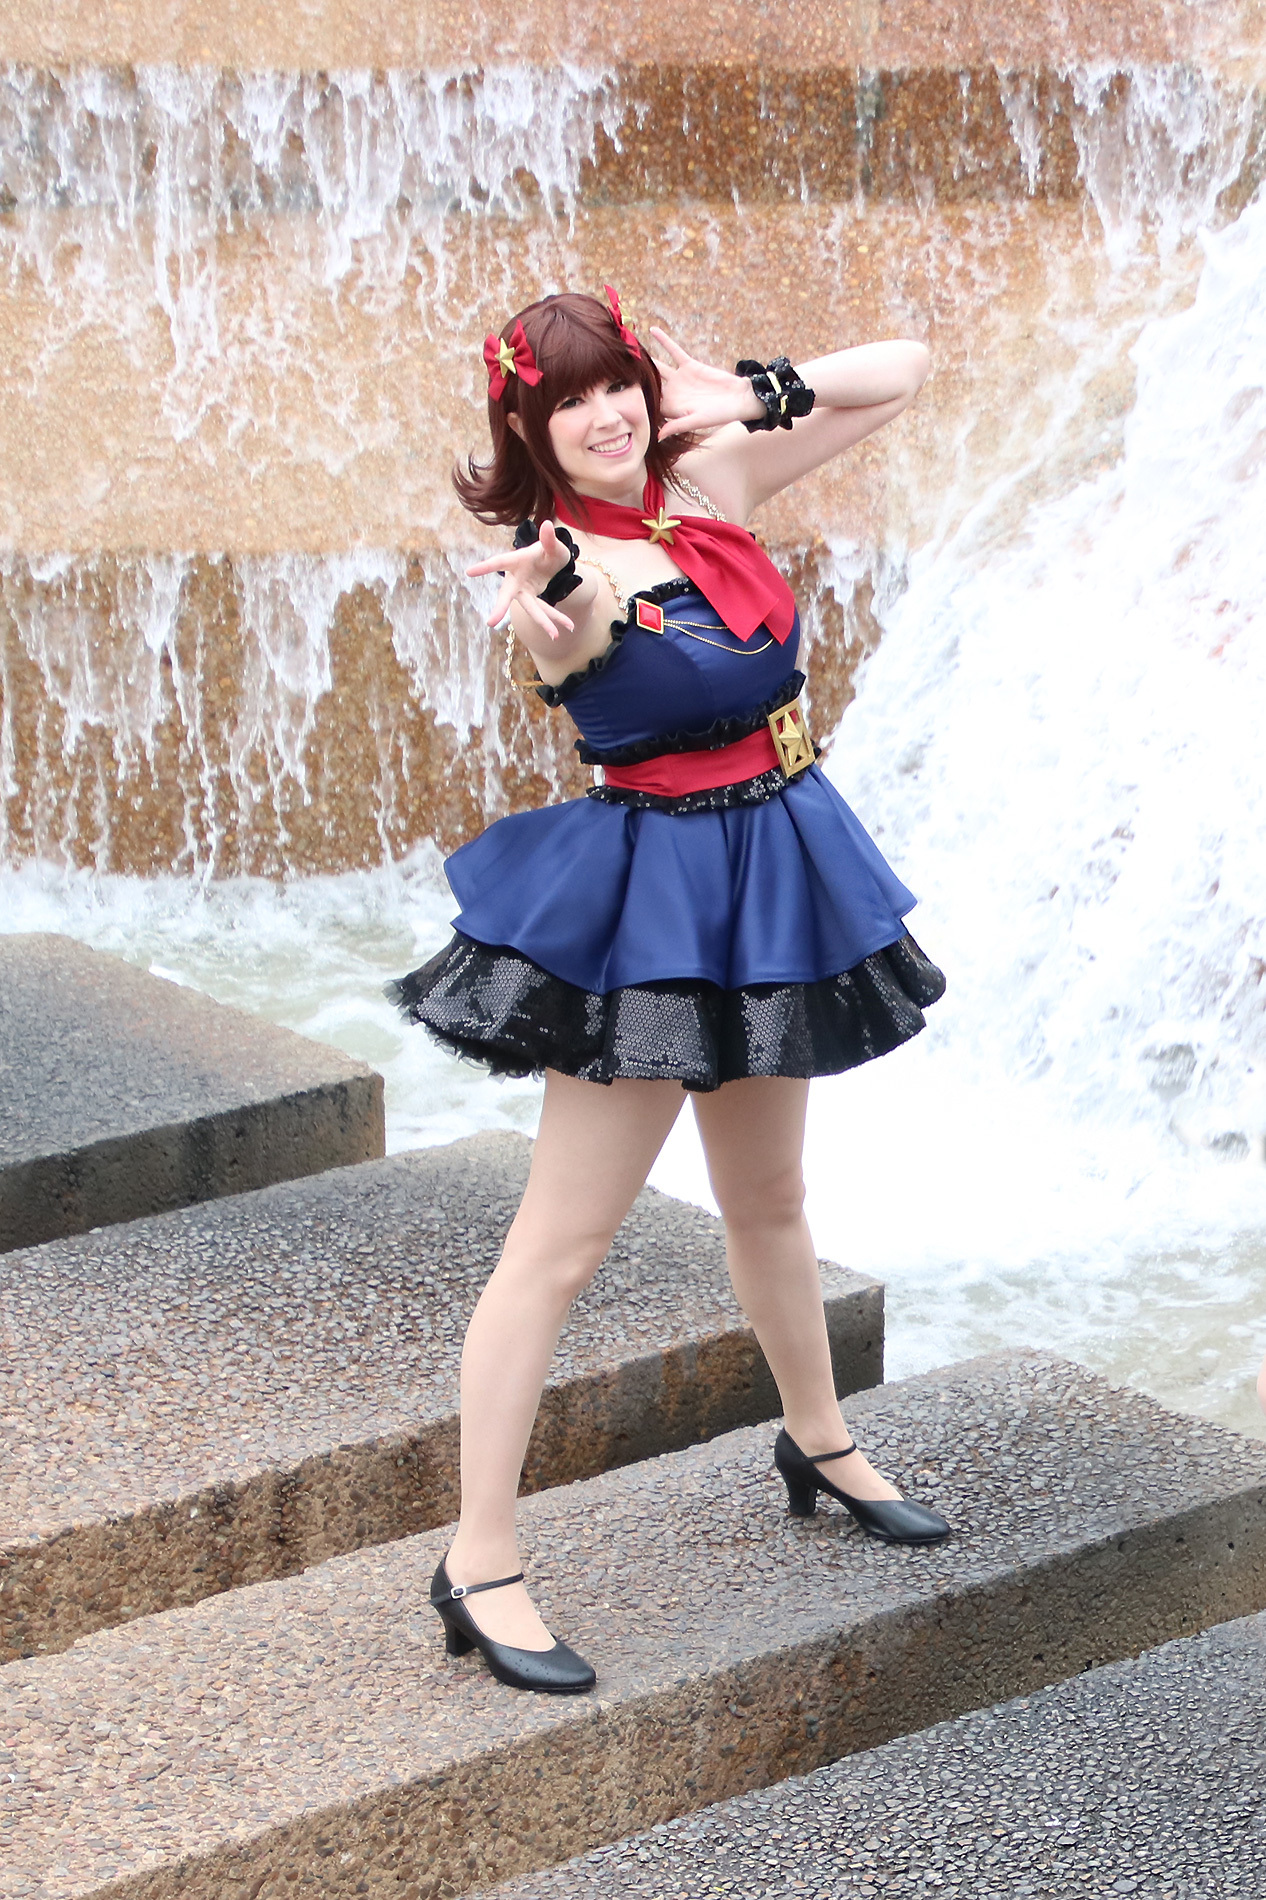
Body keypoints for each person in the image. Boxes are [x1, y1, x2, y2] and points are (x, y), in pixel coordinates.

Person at [389, 287, 950, 1696]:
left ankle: (818, 1441)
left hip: (774, 864)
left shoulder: (707, 480)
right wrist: (563, 605)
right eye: (568, 400)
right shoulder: (557, 561)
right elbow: (563, 640)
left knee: (772, 1199)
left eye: (616, 384)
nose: (604, 415)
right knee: (560, 1244)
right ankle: (478, 1560)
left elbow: (902, 370)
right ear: (526, 428)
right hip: (652, 904)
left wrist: (746, 392)